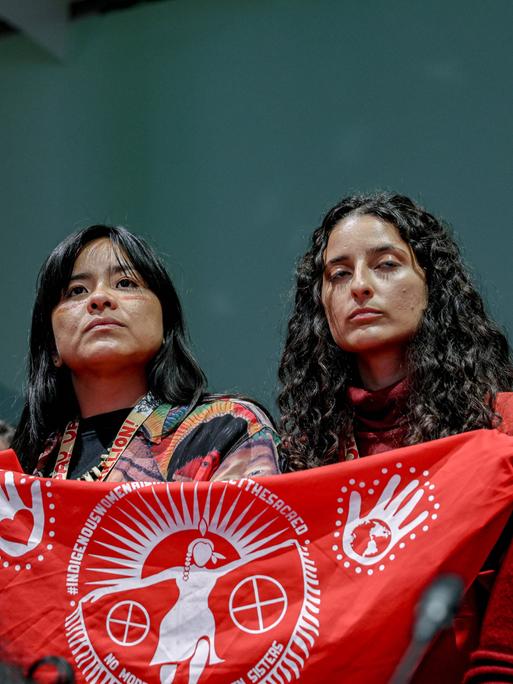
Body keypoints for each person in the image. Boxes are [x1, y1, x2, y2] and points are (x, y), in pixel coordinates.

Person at [277, 192, 513, 682]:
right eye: (338, 274)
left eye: (385, 265)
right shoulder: (301, 454)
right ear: (321, 303)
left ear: (433, 285)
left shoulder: (504, 427)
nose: (360, 286)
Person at [11, 225, 279, 484]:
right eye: (77, 290)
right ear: (52, 347)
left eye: (125, 283)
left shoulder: (225, 429)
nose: (100, 298)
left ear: (166, 325)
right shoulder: (27, 467)